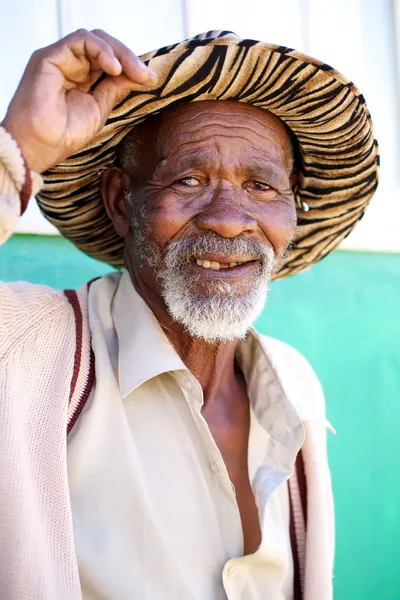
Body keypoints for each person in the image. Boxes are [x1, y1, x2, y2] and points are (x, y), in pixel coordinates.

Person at [0, 28, 378, 600]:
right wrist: (20, 150)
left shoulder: (294, 385)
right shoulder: (33, 347)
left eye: (261, 185)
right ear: (120, 203)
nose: (230, 218)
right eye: (189, 179)